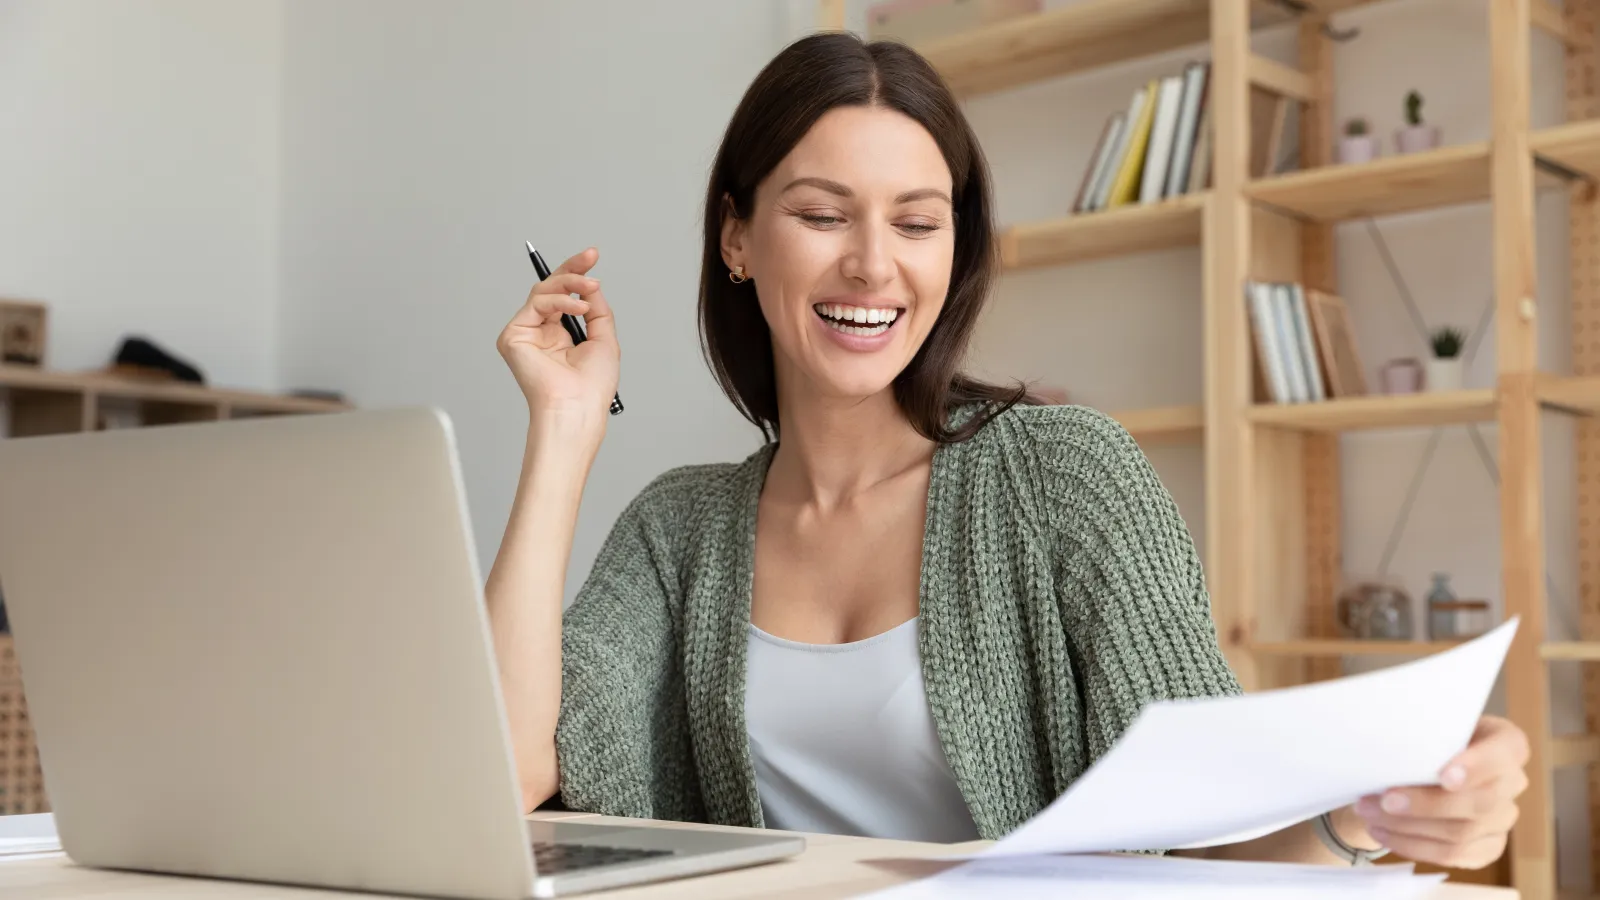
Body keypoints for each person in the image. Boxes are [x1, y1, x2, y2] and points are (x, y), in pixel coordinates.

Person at [485, 31, 1528, 869]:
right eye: (819, 214)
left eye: (917, 222)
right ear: (738, 240)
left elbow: (1220, 823)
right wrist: (567, 431)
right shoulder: (681, 528)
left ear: (955, 248)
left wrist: (1376, 817)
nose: (872, 264)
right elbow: (499, 775)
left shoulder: (1064, 476)